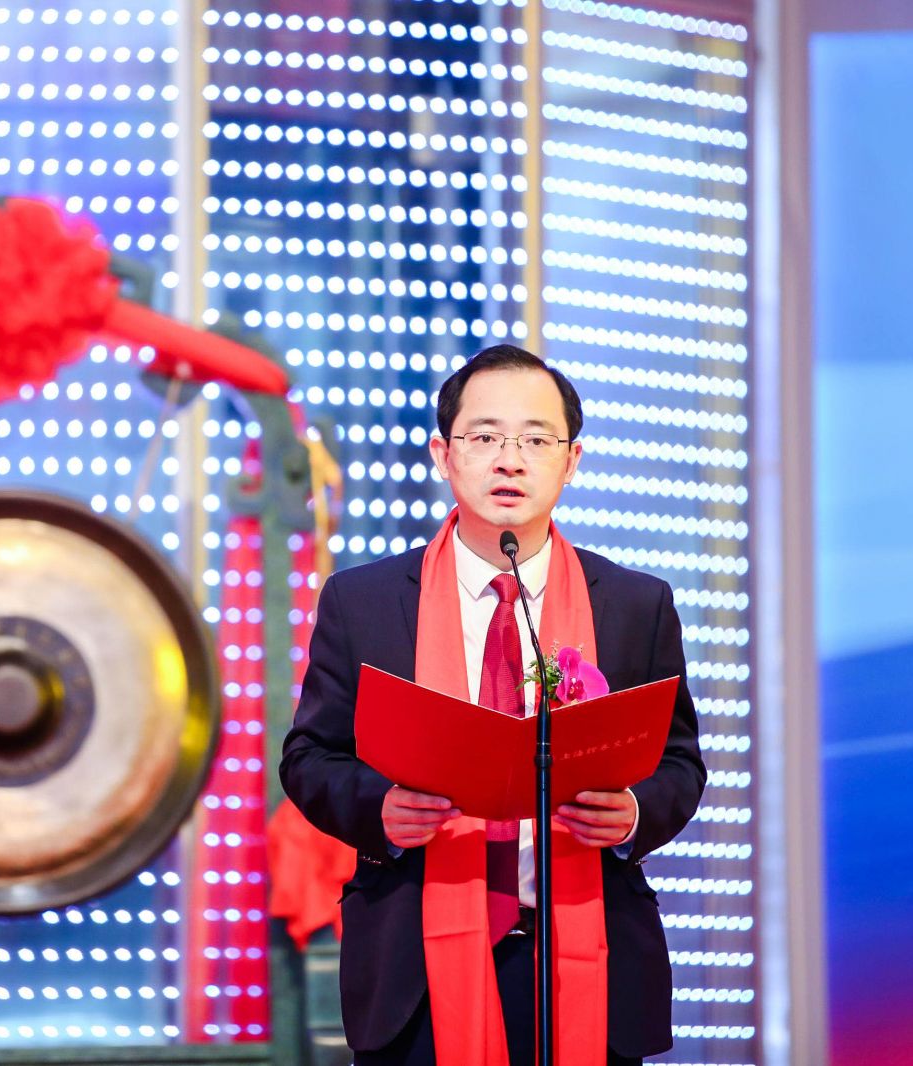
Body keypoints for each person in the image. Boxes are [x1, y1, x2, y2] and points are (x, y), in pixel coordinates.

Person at [279, 344, 705, 1066]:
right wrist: (379, 808)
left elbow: (679, 764)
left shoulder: (636, 606)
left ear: (571, 461)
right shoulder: (364, 603)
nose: (510, 461)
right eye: (484, 437)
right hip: (414, 971)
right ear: (443, 454)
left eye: (536, 441)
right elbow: (308, 758)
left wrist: (633, 812)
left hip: (588, 957)